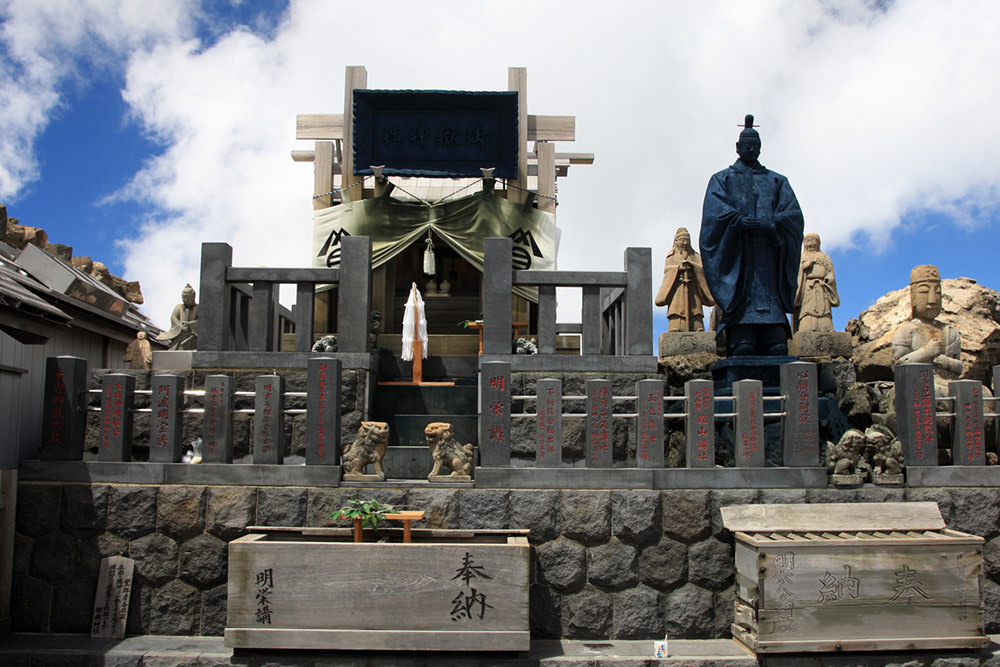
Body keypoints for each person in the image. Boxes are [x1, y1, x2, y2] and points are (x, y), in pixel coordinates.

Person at [700, 115, 804, 355]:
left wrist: (772, 223)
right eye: (745, 146)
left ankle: (773, 329)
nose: (750, 150)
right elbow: (714, 219)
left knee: (777, 348)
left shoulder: (777, 181)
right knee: (742, 348)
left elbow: (793, 217)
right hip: (740, 264)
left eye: (754, 146)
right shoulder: (722, 180)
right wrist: (739, 222)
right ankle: (740, 330)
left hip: (769, 264)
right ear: (737, 148)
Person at [892, 264, 962, 394]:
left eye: (937, 292)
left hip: (948, 383)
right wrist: (926, 352)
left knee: (981, 391)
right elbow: (897, 367)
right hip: (920, 383)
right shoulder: (906, 331)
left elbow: (959, 367)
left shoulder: (949, 331)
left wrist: (946, 362)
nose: (932, 300)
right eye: (924, 292)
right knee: (928, 391)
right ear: (913, 297)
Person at [654, 227, 714, 332]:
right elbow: (667, 270)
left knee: (695, 309)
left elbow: (701, 269)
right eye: (682, 240)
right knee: (676, 309)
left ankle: (696, 325)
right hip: (677, 288)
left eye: (687, 240)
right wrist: (677, 269)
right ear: (676, 241)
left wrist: (694, 267)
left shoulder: (696, 256)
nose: (685, 243)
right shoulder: (671, 256)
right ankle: (676, 325)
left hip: (693, 288)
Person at [794, 233, 840, 332]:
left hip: (822, 287)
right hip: (807, 287)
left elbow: (830, 273)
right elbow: (795, 275)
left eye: (813, 241)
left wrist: (828, 279)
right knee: (808, 310)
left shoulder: (825, 258)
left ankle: (826, 328)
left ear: (819, 243)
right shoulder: (801, 258)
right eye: (807, 241)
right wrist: (803, 268)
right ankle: (807, 327)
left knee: (825, 310)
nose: (810, 244)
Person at [156, 284, 199, 350]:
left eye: (188, 298)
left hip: (191, 335)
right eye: (183, 297)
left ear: (193, 297)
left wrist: (190, 324)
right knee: (175, 349)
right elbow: (173, 317)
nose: (185, 299)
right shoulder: (179, 307)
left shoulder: (198, 308)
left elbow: (202, 321)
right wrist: (179, 325)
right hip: (180, 333)